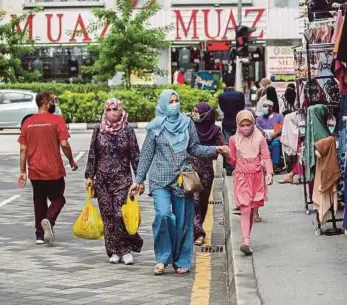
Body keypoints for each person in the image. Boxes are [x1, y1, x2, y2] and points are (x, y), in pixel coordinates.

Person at [129, 89, 228, 275]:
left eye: (176, 101)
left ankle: (182, 260)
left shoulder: (187, 123)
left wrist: (217, 150)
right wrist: (139, 180)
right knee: (163, 215)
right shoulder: (155, 127)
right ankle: (162, 258)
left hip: (183, 180)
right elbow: (146, 155)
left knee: (183, 222)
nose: (174, 104)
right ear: (163, 104)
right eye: (170, 101)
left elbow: (195, 148)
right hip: (159, 179)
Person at [85, 99, 143, 265]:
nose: (112, 112)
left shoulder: (128, 131)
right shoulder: (99, 130)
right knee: (108, 217)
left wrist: (139, 179)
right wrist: (89, 176)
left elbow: (135, 155)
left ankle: (126, 250)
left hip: (123, 180)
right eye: (109, 109)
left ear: (121, 110)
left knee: (120, 215)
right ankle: (113, 251)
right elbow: (92, 154)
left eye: (115, 109)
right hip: (102, 180)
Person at [17, 91, 78, 245]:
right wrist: (71, 160)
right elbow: (64, 144)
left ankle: (39, 235)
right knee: (58, 199)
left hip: (35, 170)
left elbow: (23, 149)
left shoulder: (27, 123)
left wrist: (23, 171)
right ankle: (49, 219)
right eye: (52, 101)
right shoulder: (57, 120)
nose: (54, 103)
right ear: (45, 102)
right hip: (54, 169)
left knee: (39, 201)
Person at [227, 110, 273, 255]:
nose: (246, 128)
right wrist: (226, 154)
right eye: (242, 125)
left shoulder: (260, 138)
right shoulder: (233, 140)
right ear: (237, 125)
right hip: (241, 177)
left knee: (251, 208)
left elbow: (266, 156)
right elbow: (233, 161)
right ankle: (245, 240)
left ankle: (247, 239)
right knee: (245, 208)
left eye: (248, 124)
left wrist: (270, 173)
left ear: (253, 124)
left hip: (257, 177)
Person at [190, 102, 226, 246]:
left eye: (197, 112)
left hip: (206, 171)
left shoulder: (215, 130)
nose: (194, 114)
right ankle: (198, 233)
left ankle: (197, 228)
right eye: (193, 111)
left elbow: (223, 146)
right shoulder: (189, 127)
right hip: (190, 170)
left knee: (203, 203)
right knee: (194, 201)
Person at [218, 78, 245, 175]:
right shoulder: (240, 95)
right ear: (233, 83)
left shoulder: (221, 96)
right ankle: (240, 166)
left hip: (227, 122)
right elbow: (242, 107)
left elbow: (221, 108)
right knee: (240, 144)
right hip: (238, 121)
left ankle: (230, 168)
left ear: (225, 84)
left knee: (229, 145)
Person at [256, 100, 284, 173]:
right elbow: (258, 128)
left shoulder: (278, 117)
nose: (264, 108)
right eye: (263, 106)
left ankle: (275, 165)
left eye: (266, 106)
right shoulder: (259, 119)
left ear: (271, 108)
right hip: (263, 138)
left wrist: (275, 134)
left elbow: (280, 129)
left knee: (275, 144)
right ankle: (261, 164)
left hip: (275, 137)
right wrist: (262, 133)